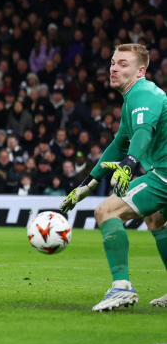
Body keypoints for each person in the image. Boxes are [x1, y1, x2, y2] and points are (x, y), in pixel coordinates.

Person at [61, 44, 167, 311]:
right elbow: (119, 145)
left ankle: (122, 287)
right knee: (156, 219)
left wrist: (129, 164)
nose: (114, 68)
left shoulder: (143, 93)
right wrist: (87, 184)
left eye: (123, 64)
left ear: (140, 70)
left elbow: (144, 130)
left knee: (106, 211)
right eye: (112, 63)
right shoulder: (134, 97)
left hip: (165, 174)